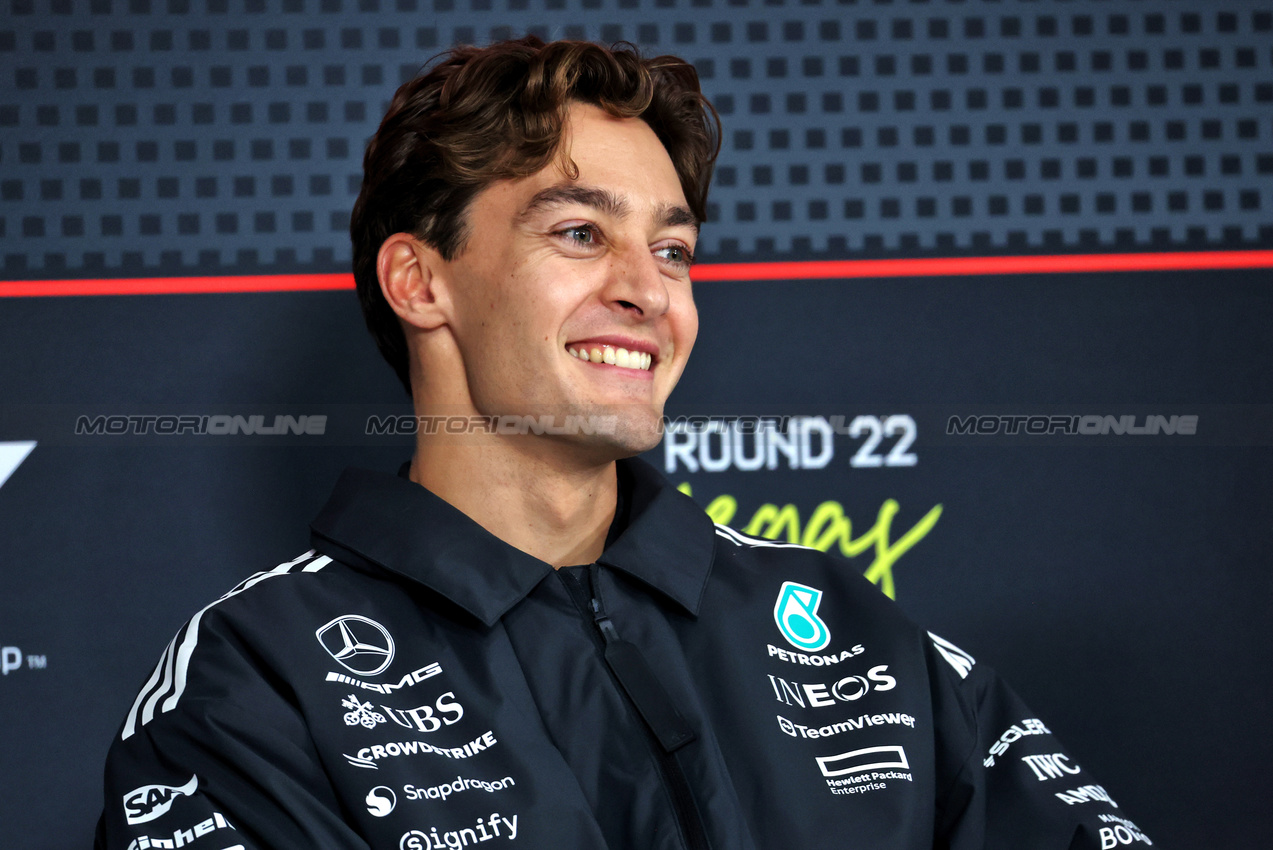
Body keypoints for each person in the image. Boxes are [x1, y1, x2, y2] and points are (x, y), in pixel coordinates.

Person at [97, 37, 1150, 850]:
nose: (647, 291)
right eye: (578, 232)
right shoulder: (259, 677)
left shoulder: (851, 633)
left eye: (674, 248)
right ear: (421, 281)